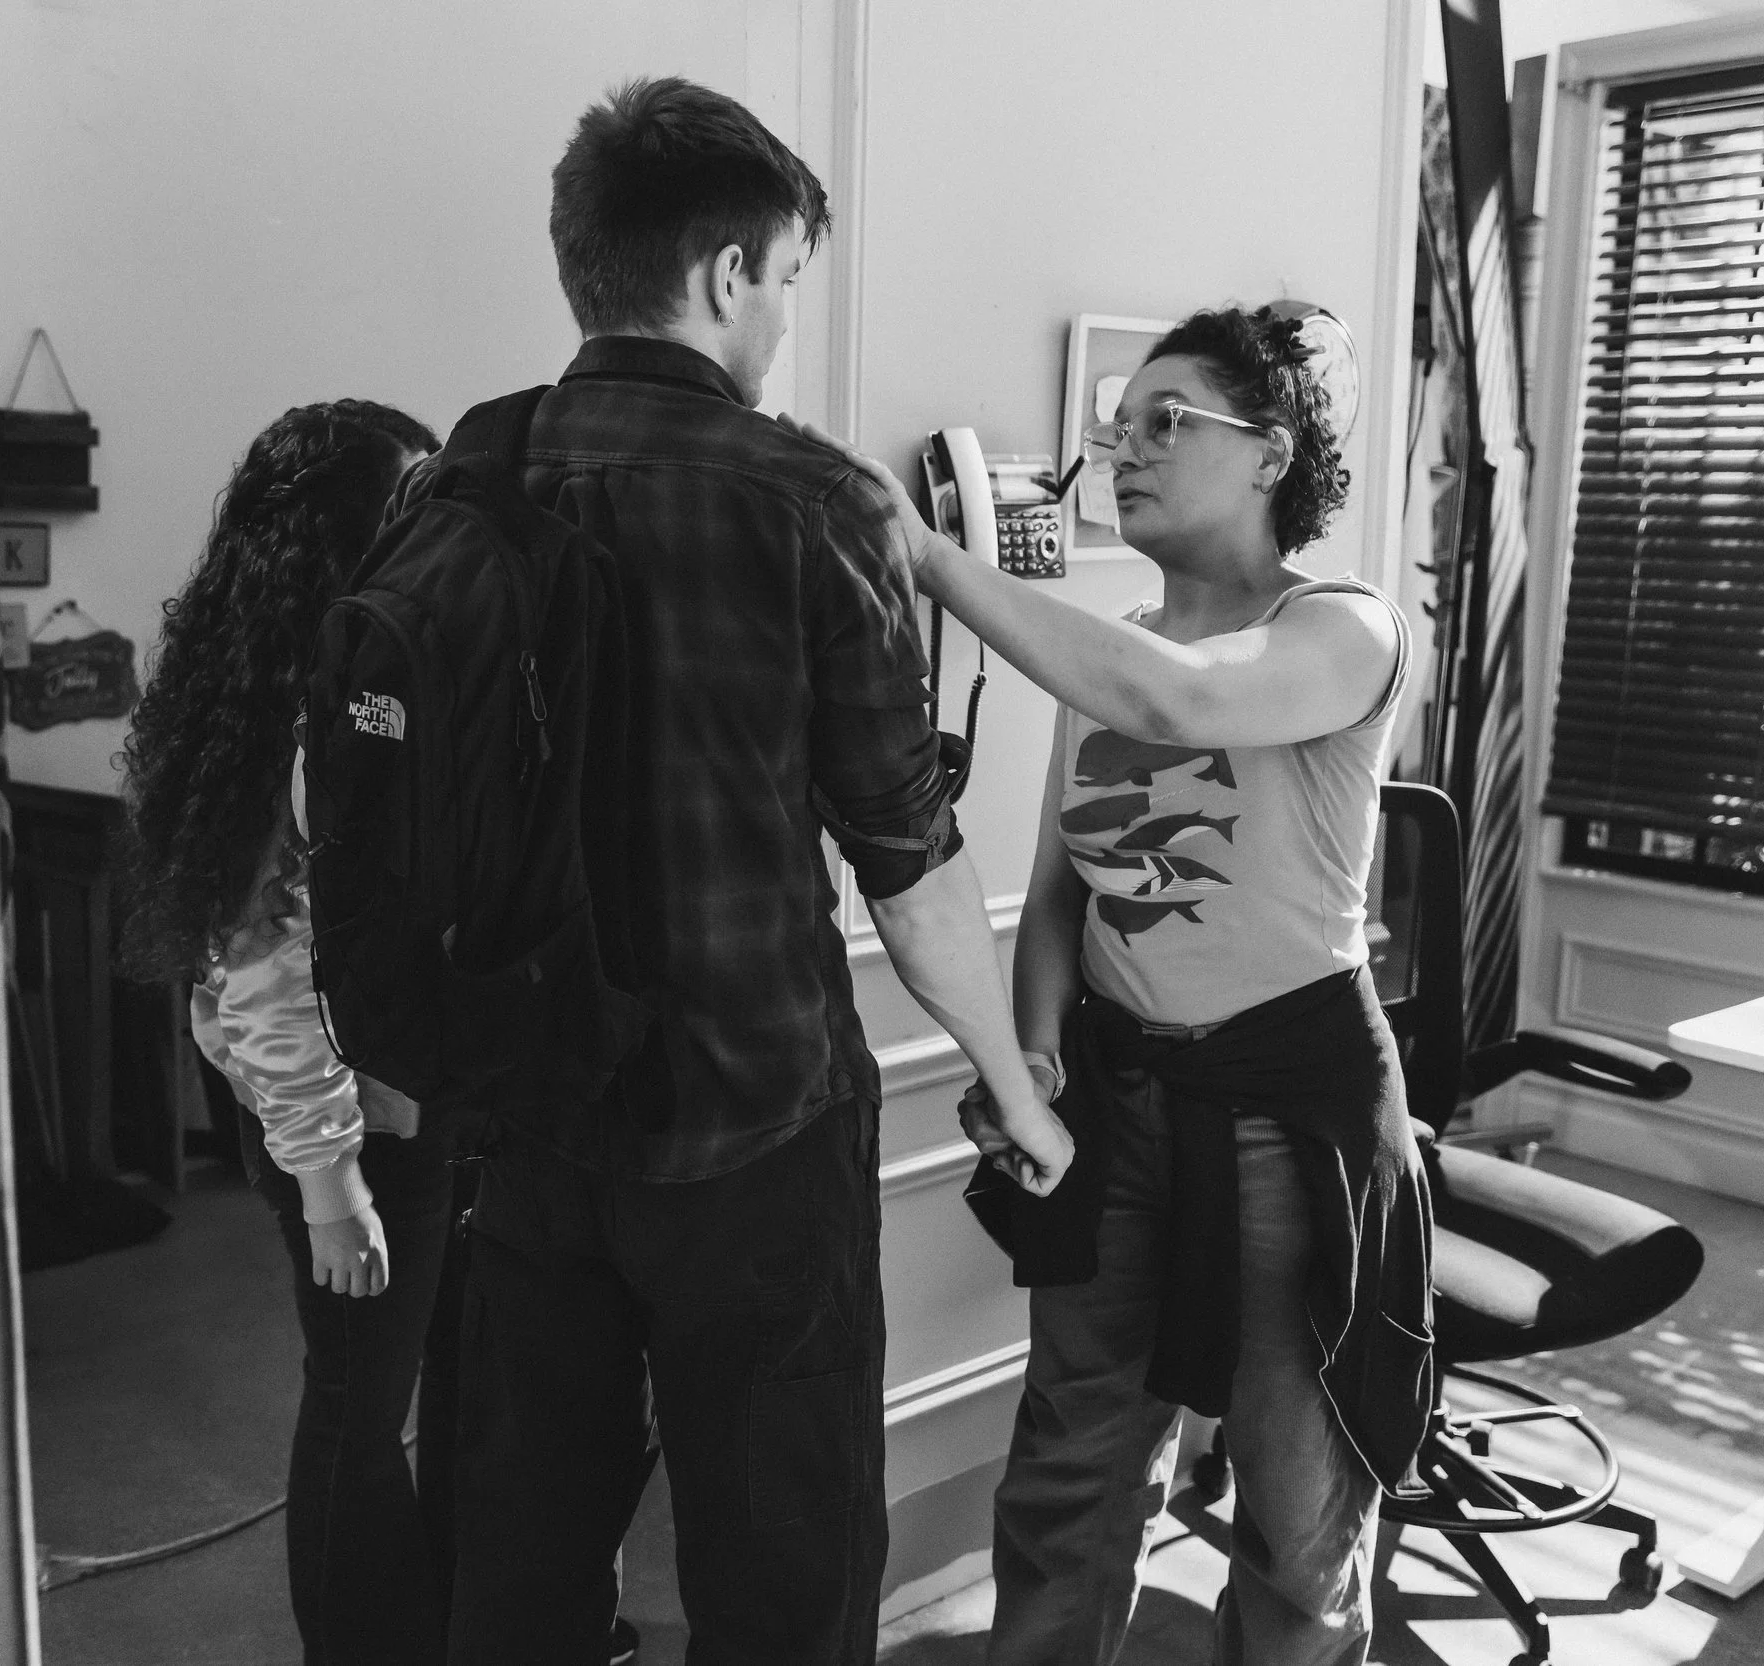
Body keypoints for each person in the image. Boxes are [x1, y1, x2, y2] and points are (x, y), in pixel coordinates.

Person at [424, 78, 1073, 1666]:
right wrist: (1016, 1085)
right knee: (783, 1558)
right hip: (753, 1123)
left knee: (524, 1549)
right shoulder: (812, 500)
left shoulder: (474, 468)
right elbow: (911, 869)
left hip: (526, 1110)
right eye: (784, 279)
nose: (783, 319)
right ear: (725, 272)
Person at [787, 305, 1432, 1666]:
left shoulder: (1344, 626)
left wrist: (932, 559)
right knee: (1070, 1479)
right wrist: (1033, 1072)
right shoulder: (1111, 651)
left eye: (1165, 422)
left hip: (1288, 1116)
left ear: (1275, 454)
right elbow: (1062, 893)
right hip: (1122, 1105)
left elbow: (1186, 704)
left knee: (1299, 1524)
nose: (1121, 449)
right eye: (1116, 425)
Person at [118, 398, 459, 1666]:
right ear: (344, 531)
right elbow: (256, 972)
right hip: (347, 1124)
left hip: (384, 1108)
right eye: (409, 504)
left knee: (386, 1396)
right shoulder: (297, 698)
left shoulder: (308, 669)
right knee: (359, 1411)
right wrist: (329, 1179)